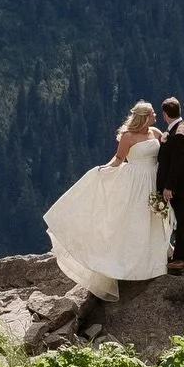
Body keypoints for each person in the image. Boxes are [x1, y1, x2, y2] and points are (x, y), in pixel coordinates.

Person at [43, 100, 174, 299]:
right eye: (152, 113)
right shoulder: (128, 137)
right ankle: (132, 262)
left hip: (153, 180)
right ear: (144, 117)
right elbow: (119, 158)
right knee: (136, 219)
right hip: (135, 182)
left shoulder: (156, 133)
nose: (156, 116)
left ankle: (154, 258)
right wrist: (105, 169)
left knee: (155, 217)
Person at [155, 96, 184, 271]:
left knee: (182, 220)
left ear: (165, 114)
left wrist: (169, 186)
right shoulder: (182, 128)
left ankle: (182, 257)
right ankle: (180, 254)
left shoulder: (178, 134)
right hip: (183, 185)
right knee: (180, 220)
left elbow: (177, 165)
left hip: (182, 186)